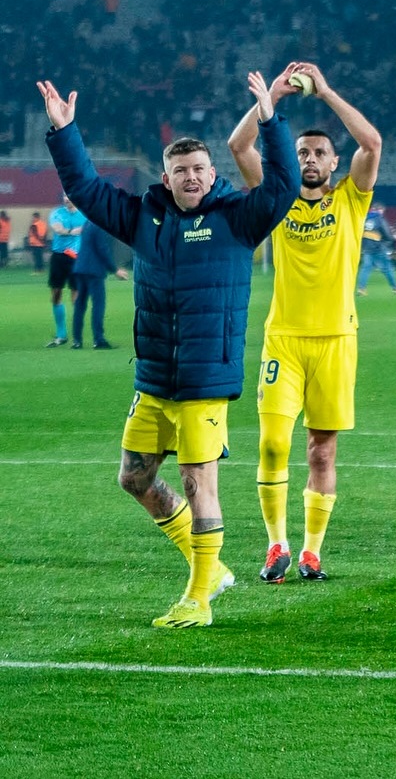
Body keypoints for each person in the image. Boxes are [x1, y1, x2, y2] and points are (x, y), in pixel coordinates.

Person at [39, 74, 298, 628]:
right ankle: (213, 570)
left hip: (205, 378)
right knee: (133, 478)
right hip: (155, 378)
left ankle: (199, 598)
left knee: (198, 481)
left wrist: (270, 118)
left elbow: (283, 185)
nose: (192, 177)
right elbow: (86, 190)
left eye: (200, 168)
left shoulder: (239, 218)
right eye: (181, 170)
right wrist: (64, 132)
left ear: (213, 173)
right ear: (166, 178)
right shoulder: (142, 218)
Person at [228, 62, 382, 585]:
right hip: (284, 341)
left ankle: (312, 552)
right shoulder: (278, 198)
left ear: (334, 162)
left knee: (321, 449)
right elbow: (238, 146)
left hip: (337, 340)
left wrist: (327, 92)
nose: (310, 159)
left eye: (319, 153)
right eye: (302, 153)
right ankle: (277, 544)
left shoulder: (351, 199)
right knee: (273, 443)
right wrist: (270, 99)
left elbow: (372, 143)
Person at [71, 219, 127, 349]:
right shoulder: (100, 224)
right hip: (94, 270)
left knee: (80, 305)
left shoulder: (87, 222)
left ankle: (77, 341)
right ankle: (98, 340)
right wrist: (115, 270)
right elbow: (102, 249)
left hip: (81, 268)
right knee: (98, 304)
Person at [45, 194, 86, 346]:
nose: (67, 199)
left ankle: (77, 337)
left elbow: (89, 230)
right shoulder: (57, 213)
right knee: (56, 294)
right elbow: (58, 230)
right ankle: (61, 334)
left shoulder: (84, 214)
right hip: (58, 257)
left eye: (69, 196)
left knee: (76, 296)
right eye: (64, 196)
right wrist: (72, 231)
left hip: (76, 257)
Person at [357, 202, 396, 295]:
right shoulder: (379, 219)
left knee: (366, 268)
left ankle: (361, 288)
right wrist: (393, 237)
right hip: (378, 247)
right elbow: (387, 233)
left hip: (366, 247)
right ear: (380, 210)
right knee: (387, 268)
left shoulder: (364, 217)